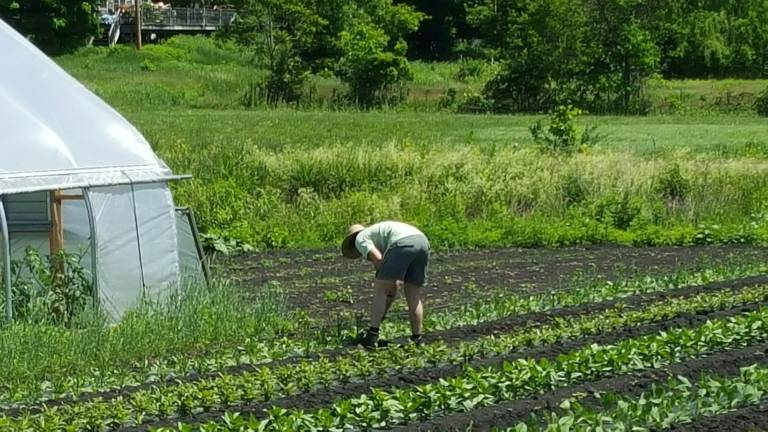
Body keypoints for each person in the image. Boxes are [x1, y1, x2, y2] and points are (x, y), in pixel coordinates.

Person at [341, 221, 430, 348]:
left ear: (352, 241)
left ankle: (372, 336)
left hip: (402, 243)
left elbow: (378, 259)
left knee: (380, 289)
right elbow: (392, 282)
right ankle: (417, 339)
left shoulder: (360, 238)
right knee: (413, 294)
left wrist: (385, 285)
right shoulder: (377, 234)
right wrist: (391, 288)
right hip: (422, 242)